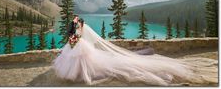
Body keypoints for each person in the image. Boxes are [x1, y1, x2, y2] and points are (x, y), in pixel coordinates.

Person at [52, 20, 217, 86]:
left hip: (79, 47)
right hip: (77, 46)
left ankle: (78, 74)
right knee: (82, 61)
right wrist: (73, 40)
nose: (76, 27)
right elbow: (74, 39)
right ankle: (78, 73)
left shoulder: (77, 31)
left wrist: (74, 40)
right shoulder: (76, 30)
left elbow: (75, 42)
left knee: (87, 63)